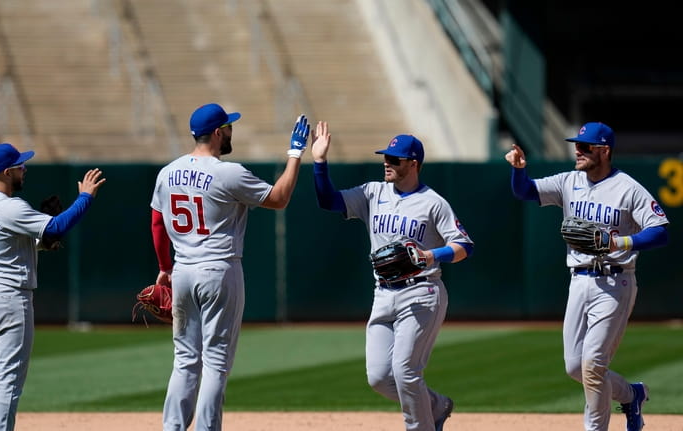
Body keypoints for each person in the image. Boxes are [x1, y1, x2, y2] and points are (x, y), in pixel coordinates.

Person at [150, 103, 311, 431]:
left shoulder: (167, 173)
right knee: (216, 364)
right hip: (218, 270)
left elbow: (156, 223)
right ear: (218, 132)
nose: (231, 131)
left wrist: (164, 267)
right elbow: (279, 198)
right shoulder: (228, 172)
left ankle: (172, 428)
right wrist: (295, 153)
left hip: (182, 272)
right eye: (229, 127)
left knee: (184, 362)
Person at [504, 122, 669, 431]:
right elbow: (525, 191)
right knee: (575, 367)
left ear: (604, 151)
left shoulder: (628, 188)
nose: (577, 151)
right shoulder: (570, 181)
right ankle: (632, 394)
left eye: (585, 146)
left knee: (593, 364)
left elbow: (660, 231)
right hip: (579, 280)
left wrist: (619, 242)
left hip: (615, 281)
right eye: (577, 145)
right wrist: (518, 169)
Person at [311, 122, 474, 431]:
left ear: (413, 164)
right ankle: (437, 406)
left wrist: (431, 255)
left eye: (394, 159)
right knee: (379, 377)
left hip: (422, 292)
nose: (387, 163)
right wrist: (319, 162)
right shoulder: (373, 192)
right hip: (383, 292)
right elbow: (328, 201)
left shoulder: (433, 203)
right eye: (386, 157)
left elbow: (465, 245)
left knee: (405, 370)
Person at [0, 143, 106, 430]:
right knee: (8, 380)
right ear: (7, 172)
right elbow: (55, 227)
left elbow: (10, 246)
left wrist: (42, 242)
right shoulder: (10, 207)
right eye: (20, 165)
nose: (24, 169)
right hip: (9, 298)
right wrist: (84, 198)